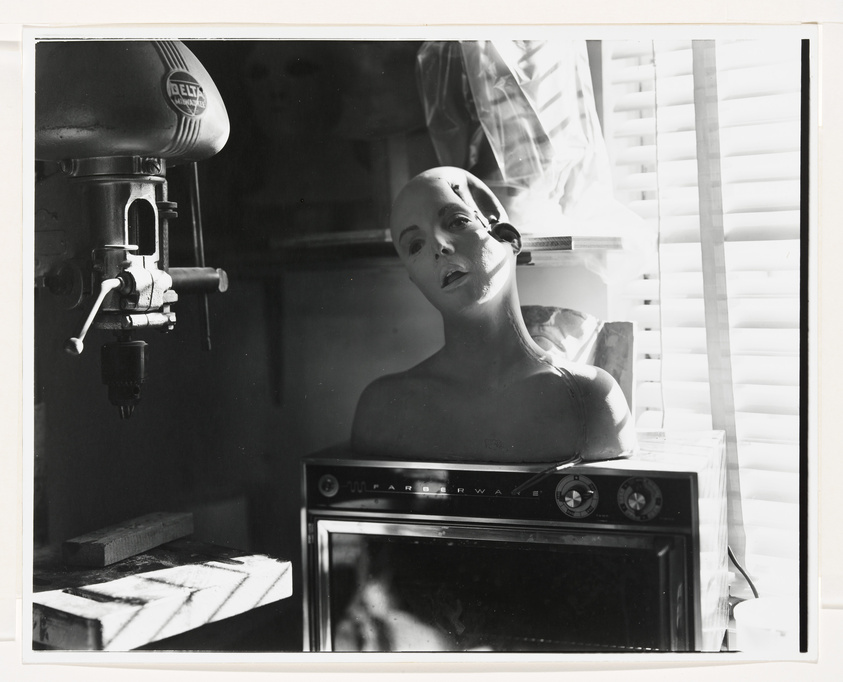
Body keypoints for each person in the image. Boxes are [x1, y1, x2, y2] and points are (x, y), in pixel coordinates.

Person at [351, 166, 636, 464]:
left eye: (457, 222)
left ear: (507, 237)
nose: (438, 247)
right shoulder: (384, 409)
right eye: (415, 245)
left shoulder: (592, 401)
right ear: (414, 279)